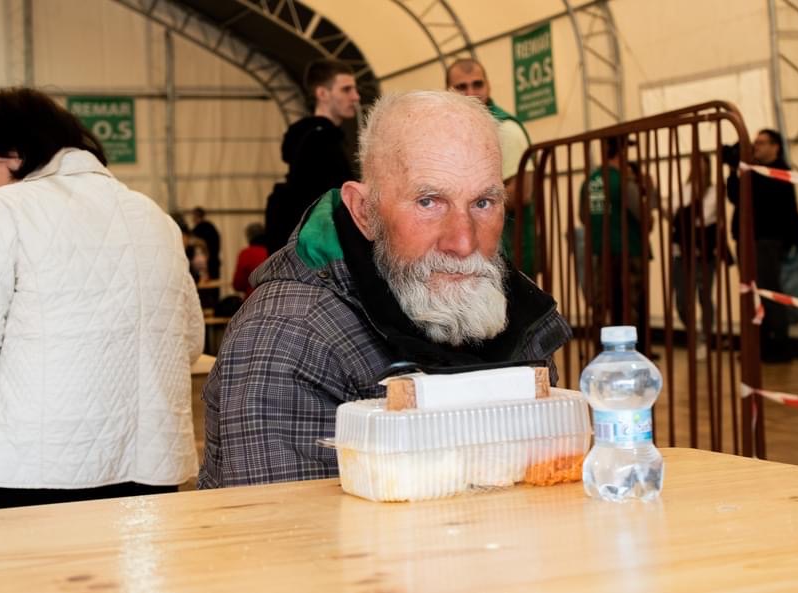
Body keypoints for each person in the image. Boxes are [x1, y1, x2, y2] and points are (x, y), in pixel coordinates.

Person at [198, 90, 572, 488]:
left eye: (483, 202)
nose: (463, 242)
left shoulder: (508, 304)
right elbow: (287, 537)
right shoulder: (288, 336)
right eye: (429, 202)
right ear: (365, 211)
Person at [0, 88, 204, 509]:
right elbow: (191, 342)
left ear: (13, 153)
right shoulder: (155, 217)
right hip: (151, 465)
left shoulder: (6, 209)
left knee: (28, 576)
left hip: (34, 466)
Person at [447, 58, 536, 276]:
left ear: (488, 86)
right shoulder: (451, 130)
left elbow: (522, 192)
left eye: (477, 84)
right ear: (448, 91)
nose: (471, 93)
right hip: (473, 253)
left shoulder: (505, 129)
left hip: (509, 254)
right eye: (461, 87)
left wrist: (465, 203)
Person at [726, 129, 798, 362]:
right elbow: (735, 196)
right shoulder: (752, 172)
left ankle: (779, 345)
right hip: (748, 238)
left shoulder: (780, 172)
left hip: (767, 240)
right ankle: (759, 345)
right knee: (751, 293)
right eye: (755, 143)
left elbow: (763, 200)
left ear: (776, 146)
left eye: (761, 143)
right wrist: (734, 170)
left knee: (768, 292)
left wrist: (747, 169)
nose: (756, 148)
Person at [265, 60, 360, 254]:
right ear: (322, 94)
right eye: (346, 89)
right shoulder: (320, 141)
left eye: (354, 89)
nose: (356, 97)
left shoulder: (318, 138)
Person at [579, 137, 648, 330]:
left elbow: (584, 216)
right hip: (630, 251)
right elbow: (645, 218)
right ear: (622, 152)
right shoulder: (624, 182)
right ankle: (632, 353)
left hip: (600, 250)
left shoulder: (589, 182)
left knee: (604, 303)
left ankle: (602, 349)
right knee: (630, 307)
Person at [672, 154, 731, 360]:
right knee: (681, 299)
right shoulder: (682, 189)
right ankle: (694, 335)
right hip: (681, 252)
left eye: (702, 164)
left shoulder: (714, 192)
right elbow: (675, 216)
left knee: (704, 296)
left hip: (704, 253)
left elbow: (705, 218)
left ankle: (705, 338)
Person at [232, 222, 269, 298]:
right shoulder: (275, 251)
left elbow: (238, 284)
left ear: (249, 237)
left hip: (252, 300)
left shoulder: (245, 254)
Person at [191, 206, 221, 280]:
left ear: (196, 216)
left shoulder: (198, 229)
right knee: (214, 288)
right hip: (214, 263)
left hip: (204, 265)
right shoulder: (211, 227)